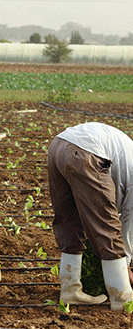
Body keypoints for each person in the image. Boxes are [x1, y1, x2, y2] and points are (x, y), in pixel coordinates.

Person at [47, 122, 133, 310]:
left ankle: (70, 290)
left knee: (69, 220)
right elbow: (128, 219)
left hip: (58, 146)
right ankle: (122, 297)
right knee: (106, 227)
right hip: (86, 152)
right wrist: (126, 264)